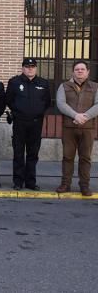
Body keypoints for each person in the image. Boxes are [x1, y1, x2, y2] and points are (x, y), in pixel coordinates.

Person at [6, 57, 51, 191]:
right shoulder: (14, 82)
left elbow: (47, 102)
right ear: (22, 68)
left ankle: (31, 182)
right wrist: (19, 111)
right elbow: (9, 100)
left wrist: (38, 112)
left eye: (32, 67)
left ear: (36, 68)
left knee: (33, 153)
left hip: (36, 123)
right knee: (18, 153)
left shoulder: (43, 83)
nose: (30, 69)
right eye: (27, 66)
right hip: (19, 123)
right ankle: (18, 181)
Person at [55, 60, 98, 196]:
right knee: (67, 157)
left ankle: (84, 185)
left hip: (88, 128)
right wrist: (75, 115)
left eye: (82, 69)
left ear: (88, 72)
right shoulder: (64, 86)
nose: (79, 71)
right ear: (73, 72)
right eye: (77, 69)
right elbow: (61, 104)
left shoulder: (95, 87)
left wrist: (85, 116)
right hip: (69, 127)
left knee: (85, 158)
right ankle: (65, 184)